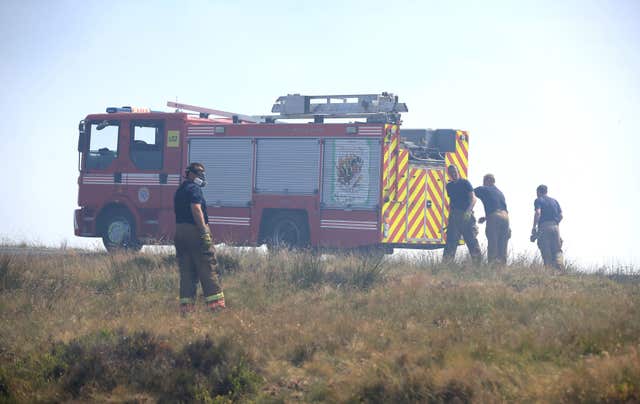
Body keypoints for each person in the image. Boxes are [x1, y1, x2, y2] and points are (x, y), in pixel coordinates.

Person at [174, 162, 225, 313]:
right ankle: (217, 309)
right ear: (190, 174)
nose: (202, 176)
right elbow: (196, 209)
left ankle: (186, 310)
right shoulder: (194, 189)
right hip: (194, 232)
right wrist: (204, 232)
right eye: (199, 172)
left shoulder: (180, 190)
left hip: (180, 233)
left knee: (187, 273)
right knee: (207, 268)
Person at [443, 165, 482, 264]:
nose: (453, 173)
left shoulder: (465, 183)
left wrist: (469, 211)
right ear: (449, 174)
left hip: (466, 216)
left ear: (458, 171)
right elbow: (451, 201)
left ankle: (478, 265)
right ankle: (446, 266)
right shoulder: (449, 186)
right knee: (451, 242)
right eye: (451, 172)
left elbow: (473, 198)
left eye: (454, 171)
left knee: (471, 240)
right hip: (454, 216)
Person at [474, 174, 510, 265]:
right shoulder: (500, 193)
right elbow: (499, 206)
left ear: (488, 180)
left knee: (493, 243)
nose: (483, 183)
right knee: (503, 245)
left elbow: (470, 192)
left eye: (484, 181)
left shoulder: (484, 189)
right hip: (505, 218)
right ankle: (502, 268)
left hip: (494, 217)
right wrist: (486, 218)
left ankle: (492, 267)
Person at [531, 184, 564, 270]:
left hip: (544, 227)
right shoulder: (554, 201)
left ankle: (549, 271)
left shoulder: (538, 200)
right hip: (555, 227)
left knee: (546, 250)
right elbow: (561, 216)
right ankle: (560, 269)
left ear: (538, 192)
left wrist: (534, 227)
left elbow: (538, 213)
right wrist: (555, 224)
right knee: (557, 250)